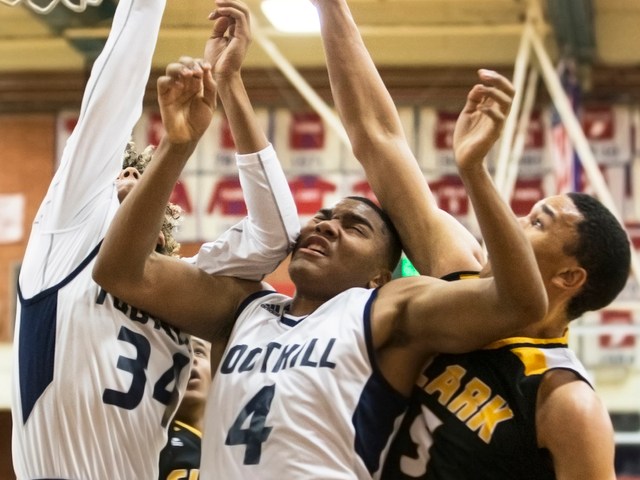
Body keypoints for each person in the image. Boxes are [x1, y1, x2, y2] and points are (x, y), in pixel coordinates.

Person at [93, 1, 548, 478]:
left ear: (380, 274)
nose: (327, 225)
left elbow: (519, 302)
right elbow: (121, 271)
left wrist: (474, 171)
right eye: (324, 216)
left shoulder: (387, 309)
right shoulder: (244, 309)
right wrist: (179, 143)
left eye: (354, 227)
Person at [310, 0, 632, 478]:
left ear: (569, 276)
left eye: (538, 223)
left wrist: (475, 172)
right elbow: (377, 137)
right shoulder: (457, 274)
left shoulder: (566, 400)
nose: (515, 223)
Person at [11, 0, 298, 478]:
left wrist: (230, 85)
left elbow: (275, 237)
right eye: (117, 173)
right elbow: (111, 100)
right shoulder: (65, 232)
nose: (124, 174)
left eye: (138, 174)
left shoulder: (180, 284)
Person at [158, 337, 212, 480]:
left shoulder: (232, 445)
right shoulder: (158, 444)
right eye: (182, 353)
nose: (191, 358)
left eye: (199, 352)